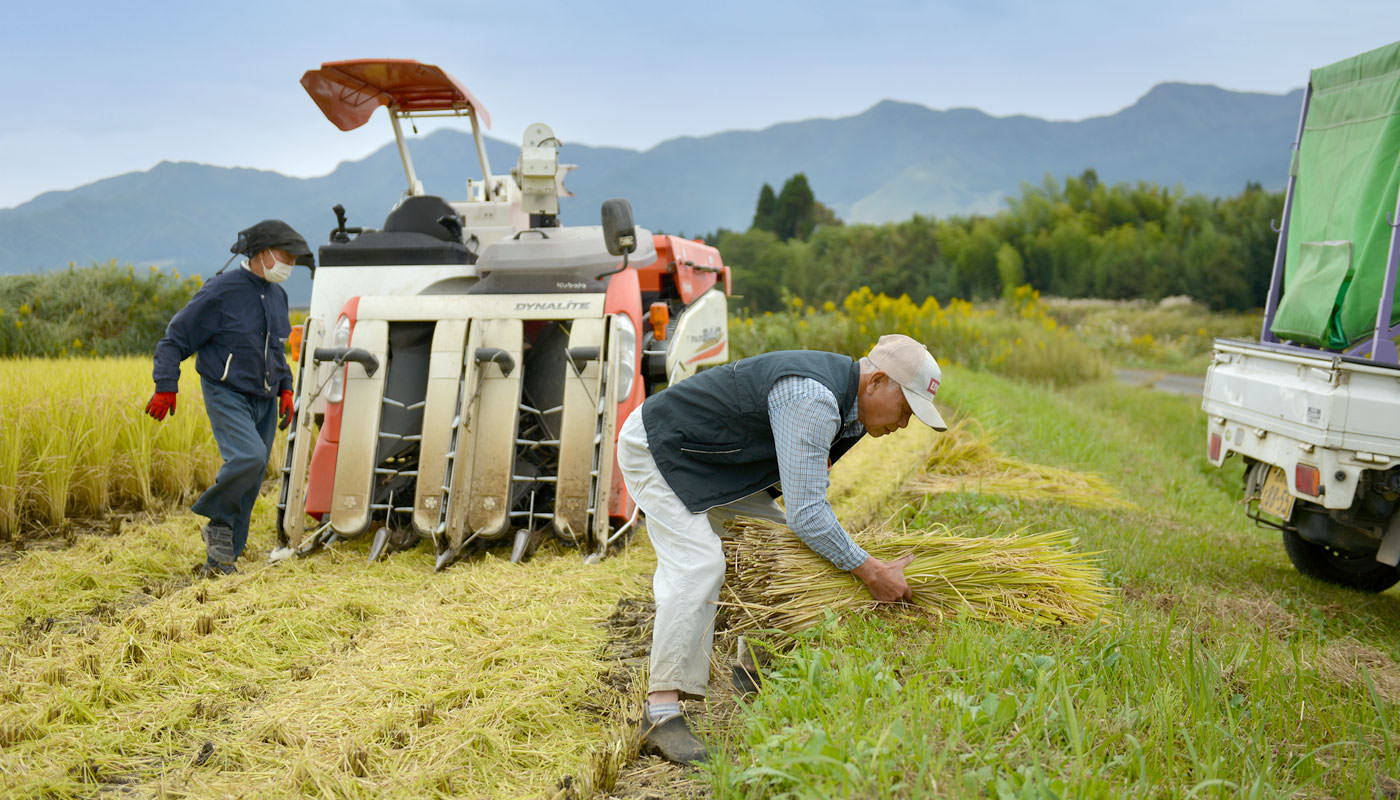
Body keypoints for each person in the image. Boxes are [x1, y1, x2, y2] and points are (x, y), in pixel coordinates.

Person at [617, 333, 948, 764]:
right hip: (662, 447)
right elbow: (808, 513)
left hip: (713, 459)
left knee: (786, 551)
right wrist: (871, 570)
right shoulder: (812, 398)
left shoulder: (853, 409)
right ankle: (659, 713)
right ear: (876, 381)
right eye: (905, 409)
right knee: (698, 565)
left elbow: (801, 499)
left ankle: (751, 670)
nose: (903, 424)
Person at [145, 220, 313, 576]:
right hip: (227, 390)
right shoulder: (220, 292)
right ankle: (218, 521)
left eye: (294, 259)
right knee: (249, 458)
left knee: (252, 478)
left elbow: (277, 350)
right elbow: (174, 339)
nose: (290, 264)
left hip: (265, 397)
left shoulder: (278, 296)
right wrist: (165, 385)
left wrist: (286, 387)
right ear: (262, 253)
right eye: (285, 256)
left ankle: (222, 561)